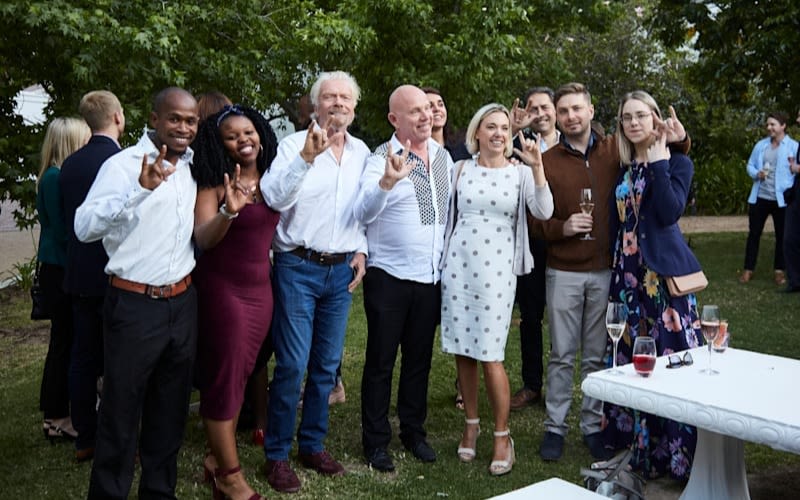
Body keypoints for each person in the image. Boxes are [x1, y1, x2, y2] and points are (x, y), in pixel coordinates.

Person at [530, 82, 689, 462]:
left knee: (597, 355)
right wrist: (561, 228)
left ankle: (591, 425)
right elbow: (534, 221)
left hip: (609, 271)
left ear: (591, 111)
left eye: (576, 109)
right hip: (563, 271)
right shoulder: (546, 160)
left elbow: (657, 143)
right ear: (556, 115)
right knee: (562, 354)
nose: (570, 117)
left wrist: (683, 141)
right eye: (563, 110)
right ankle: (554, 428)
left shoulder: (611, 152)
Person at [75, 87, 200, 499]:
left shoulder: (194, 167)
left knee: (169, 413)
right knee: (121, 414)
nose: (183, 127)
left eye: (191, 121)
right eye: (175, 119)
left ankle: (158, 493)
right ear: (154, 119)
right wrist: (140, 190)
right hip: (133, 305)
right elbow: (85, 227)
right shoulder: (123, 165)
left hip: (182, 303)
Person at [259, 71, 368, 493]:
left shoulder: (361, 153)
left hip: (341, 270)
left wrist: (361, 250)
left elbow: (362, 209)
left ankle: (312, 444)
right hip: (297, 268)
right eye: (329, 97)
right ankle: (276, 455)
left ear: (354, 107)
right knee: (291, 364)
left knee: (325, 366)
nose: (338, 103)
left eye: (345, 97)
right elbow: (272, 198)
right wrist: (306, 157)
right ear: (315, 106)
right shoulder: (291, 144)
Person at [440, 103, 553, 476]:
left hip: (499, 271)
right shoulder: (460, 170)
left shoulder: (520, 174)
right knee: (463, 350)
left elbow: (545, 210)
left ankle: (502, 435)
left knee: (490, 353)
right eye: (491, 127)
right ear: (477, 133)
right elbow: (445, 220)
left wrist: (537, 168)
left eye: (504, 128)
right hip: (459, 268)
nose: (499, 134)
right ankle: (471, 425)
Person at [601, 90, 703, 481]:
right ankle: (642, 451)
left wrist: (662, 159)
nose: (633, 123)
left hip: (662, 281)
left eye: (641, 115)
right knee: (634, 362)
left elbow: (667, 211)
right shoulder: (624, 169)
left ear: (656, 118)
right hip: (627, 277)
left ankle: (678, 455)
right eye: (626, 117)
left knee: (671, 360)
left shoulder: (677, 163)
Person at [354, 84, 454, 472]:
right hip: (389, 276)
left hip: (430, 278)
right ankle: (376, 441)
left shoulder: (444, 157)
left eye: (428, 109)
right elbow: (361, 212)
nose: (425, 115)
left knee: (419, 360)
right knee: (380, 361)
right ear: (395, 119)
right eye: (414, 111)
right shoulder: (380, 158)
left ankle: (413, 431)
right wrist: (387, 183)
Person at [191, 104, 279, 500]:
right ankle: (230, 476)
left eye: (249, 132)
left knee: (243, 374)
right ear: (219, 143)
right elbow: (204, 238)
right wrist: (229, 209)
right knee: (224, 380)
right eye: (232, 135)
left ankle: (214, 457)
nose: (244, 140)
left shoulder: (272, 177)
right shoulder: (214, 181)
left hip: (262, 291)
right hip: (224, 292)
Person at [59, 90, 125, 462]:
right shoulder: (123, 162)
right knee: (118, 359)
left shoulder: (70, 164)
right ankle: (115, 436)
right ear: (118, 117)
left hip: (79, 273)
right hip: (113, 273)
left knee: (82, 355)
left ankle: (85, 434)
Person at [36, 116, 90, 445]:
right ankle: (57, 417)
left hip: (55, 267)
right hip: (59, 269)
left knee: (64, 342)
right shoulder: (56, 178)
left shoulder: (50, 175)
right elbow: (62, 230)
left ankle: (57, 411)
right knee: (64, 343)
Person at [508, 87, 560, 410]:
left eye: (545, 107)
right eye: (533, 108)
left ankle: (558, 385)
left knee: (560, 317)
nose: (540, 113)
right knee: (530, 316)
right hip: (529, 241)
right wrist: (513, 129)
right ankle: (531, 384)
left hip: (563, 240)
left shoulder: (572, 141)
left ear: (554, 110)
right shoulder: (516, 146)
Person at [421, 86, 470, 411]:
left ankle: (463, 383)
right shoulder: (414, 149)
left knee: (461, 316)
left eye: (440, 103)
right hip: (427, 246)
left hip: (460, 244)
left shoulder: (461, 150)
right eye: (428, 105)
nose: (436, 109)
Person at [739, 112, 798, 286]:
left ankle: (779, 272)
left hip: (782, 199)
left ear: (783, 126)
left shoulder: (793, 146)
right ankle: (748, 270)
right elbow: (750, 165)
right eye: (768, 125)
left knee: (782, 236)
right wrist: (756, 173)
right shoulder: (761, 145)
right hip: (760, 197)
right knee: (754, 235)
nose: (769, 128)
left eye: (773, 124)